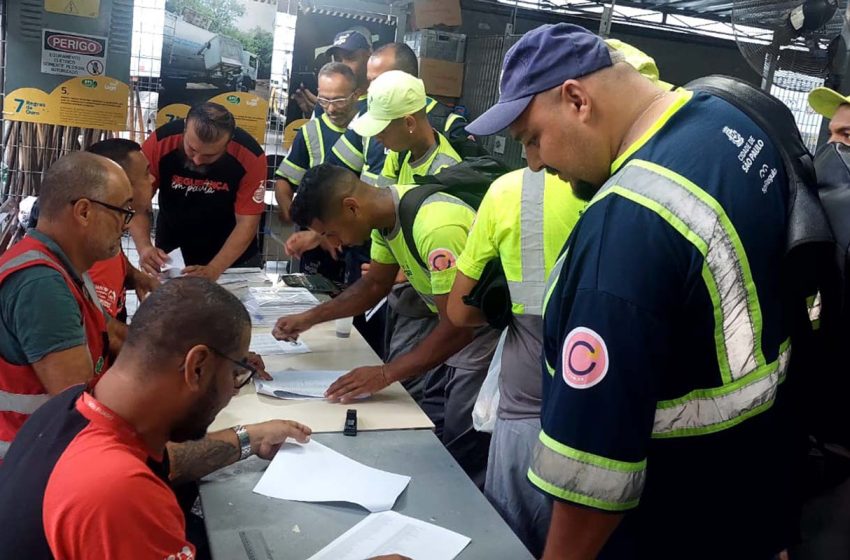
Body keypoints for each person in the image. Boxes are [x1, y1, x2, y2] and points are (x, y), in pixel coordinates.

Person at [466, 23, 796, 558]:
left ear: (576, 99)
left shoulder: (625, 229)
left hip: (671, 518)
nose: (533, 163)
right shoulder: (726, 119)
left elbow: (591, 476)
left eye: (531, 138)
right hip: (753, 491)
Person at [0, 277, 410, 560]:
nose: (234, 388)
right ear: (197, 367)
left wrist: (250, 437)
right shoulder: (115, 491)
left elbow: (167, 462)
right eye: (235, 374)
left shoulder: (74, 409)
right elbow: (128, 485)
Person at [274, 164, 498, 486]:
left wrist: (384, 374)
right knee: (432, 420)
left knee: (462, 439)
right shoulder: (385, 221)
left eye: (329, 232)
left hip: (480, 341)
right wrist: (310, 318)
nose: (332, 241)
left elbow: (460, 328)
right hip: (453, 333)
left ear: (351, 207)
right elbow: (373, 285)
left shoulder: (435, 227)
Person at [448, 168, 585, 556]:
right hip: (604, 395)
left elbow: (459, 311)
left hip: (528, 392)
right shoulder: (635, 179)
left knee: (514, 526)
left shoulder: (511, 190)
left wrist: (501, 313)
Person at [0, 152, 132, 459]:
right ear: (84, 212)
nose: (126, 225)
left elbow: (113, 335)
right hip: (30, 465)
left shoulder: (67, 267)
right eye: (123, 211)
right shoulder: (41, 284)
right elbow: (80, 408)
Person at [134, 102, 266, 281]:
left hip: (232, 260)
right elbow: (136, 203)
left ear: (228, 143)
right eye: (191, 149)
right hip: (172, 257)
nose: (197, 160)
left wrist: (215, 268)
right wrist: (144, 247)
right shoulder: (160, 142)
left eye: (209, 156)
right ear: (184, 128)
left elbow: (247, 223)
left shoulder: (250, 155)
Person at [86, 139, 159, 319]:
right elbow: (105, 337)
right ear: (119, 185)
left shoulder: (107, 232)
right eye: (146, 173)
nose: (153, 179)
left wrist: (138, 278)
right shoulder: (95, 258)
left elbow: (118, 258)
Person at [351, 70, 461, 188]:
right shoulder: (399, 153)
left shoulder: (445, 173)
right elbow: (383, 197)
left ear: (409, 123)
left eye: (382, 131)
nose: (377, 138)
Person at [367, 42, 469, 142]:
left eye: (378, 81)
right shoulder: (370, 121)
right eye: (369, 81)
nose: (370, 89)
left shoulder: (450, 127)